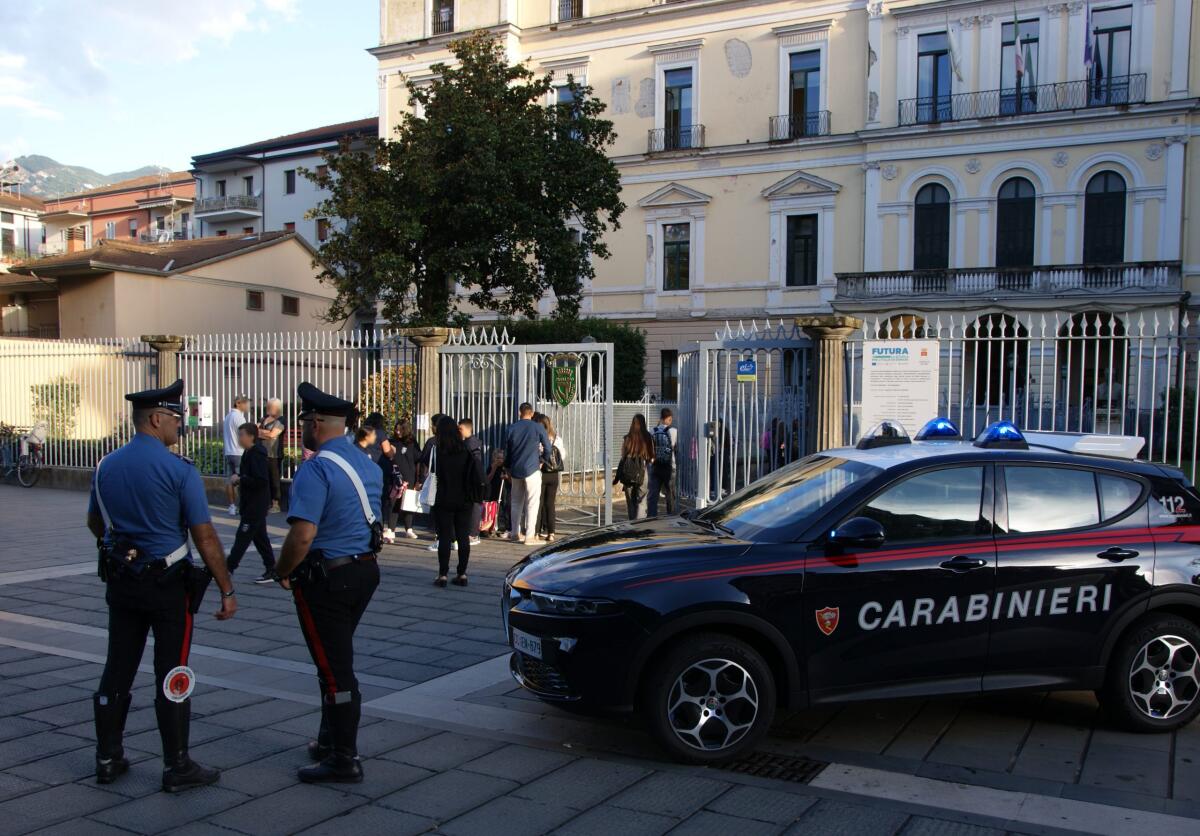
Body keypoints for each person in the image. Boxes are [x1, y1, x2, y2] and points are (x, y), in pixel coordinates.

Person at [87, 379, 236, 793]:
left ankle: (107, 757)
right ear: (155, 420)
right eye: (175, 418)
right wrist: (226, 587)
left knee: (117, 665)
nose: (180, 426)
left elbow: (95, 522)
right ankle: (177, 765)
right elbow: (204, 535)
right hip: (169, 585)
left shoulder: (106, 466)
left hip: (122, 583)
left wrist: (122, 545)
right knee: (172, 671)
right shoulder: (178, 469)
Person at [272, 382, 382, 784]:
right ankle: (328, 739)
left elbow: (302, 534)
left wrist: (283, 571)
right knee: (335, 658)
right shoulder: (365, 463)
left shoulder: (316, 468)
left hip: (328, 578)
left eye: (304, 422)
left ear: (316, 423)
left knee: (335, 671)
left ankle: (344, 758)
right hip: (364, 570)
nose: (302, 428)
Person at [430, 416, 485, 587]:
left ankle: (443, 575)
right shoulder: (465, 449)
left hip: (444, 497)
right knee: (463, 536)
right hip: (464, 499)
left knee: (445, 536)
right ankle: (462, 573)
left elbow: (433, 473)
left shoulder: (438, 451)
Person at [228, 423, 277, 584]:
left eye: (241, 434)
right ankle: (272, 569)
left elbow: (261, 480)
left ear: (251, 436)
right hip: (252, 504)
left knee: (242, 537)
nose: (239, 438)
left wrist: (241, 479)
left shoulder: (256, 454)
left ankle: (227, 568)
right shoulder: (249, 453)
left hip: (255, 506)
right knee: (260, 538)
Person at [503, 402, 551, 543]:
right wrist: (542, 460)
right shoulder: (537, 427)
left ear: (519, 412)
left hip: (516, 470)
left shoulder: (511, 428)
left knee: (516, 502)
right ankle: (529, 536)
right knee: (532, 502)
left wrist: (507, 467)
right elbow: (547, 447)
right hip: (532, 469)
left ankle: (515, 533)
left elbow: (507, 452)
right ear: (532, 413)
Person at [615, 413, 653, 520]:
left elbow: (622, 456)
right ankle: (639, 525)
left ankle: (631, 524)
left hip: (628, 473)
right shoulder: (648, 437)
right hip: (643, 472)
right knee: (641, 501)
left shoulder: (627, 438)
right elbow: (651, 457)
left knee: (630, 502)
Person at [535, 413, 566, 541]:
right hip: (554, 474)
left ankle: (536, 532)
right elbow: (563, 455)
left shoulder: (538, 439)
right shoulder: (557, 438)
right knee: (550, 504)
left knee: (539, 503)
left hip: (541, 473)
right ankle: (551, 533)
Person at [387, 420, 420, 539]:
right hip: (395, 477)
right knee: (394, 503)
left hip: (410, 477)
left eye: (400, 429)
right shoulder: (391, 442)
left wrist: (418, 479)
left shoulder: (412, 443)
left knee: (409, 504)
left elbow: (418, 461)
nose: (397, 431)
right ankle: (391, 529)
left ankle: (409, 528)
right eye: (396, 429)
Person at [646, 407, 678, 517]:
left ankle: (651, 517)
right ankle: (671, 516)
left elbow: (649, 449)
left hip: (655, 467)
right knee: (670, 494)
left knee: (653, 495)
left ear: (661, 417)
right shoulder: (674, 431)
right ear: (669, 418)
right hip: (670, 467)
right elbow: (676, 448)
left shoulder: (652, 431)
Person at [222, 395, 250, 516]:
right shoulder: (238, 417)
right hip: (239, 452)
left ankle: (232, 506)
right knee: (242, 480)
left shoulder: (228, 416)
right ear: (238, 403)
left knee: (229, 481)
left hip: (229, 452)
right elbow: (245, 433)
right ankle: (243, 506)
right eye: (245, 403)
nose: (247, 405)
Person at [459, 419, 484, 547]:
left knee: (474, 506)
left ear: (468, 429)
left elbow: (475, 463)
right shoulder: (473, 443)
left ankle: (473, 534)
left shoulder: (470, 445)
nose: (459, 432)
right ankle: (472, 532)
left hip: (472, 479)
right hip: (474, 479)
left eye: (461, 429)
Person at [258, 398, 286, 512]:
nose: (268, 408)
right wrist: (267, 433)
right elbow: (255, 430)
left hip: (274, 454)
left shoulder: (281, 420)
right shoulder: (264, 418)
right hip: (263, 453)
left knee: (274, 479)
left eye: (271, 406)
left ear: (278, 408)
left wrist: (261, 432)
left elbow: (273, 435)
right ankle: (266, 502)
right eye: (268, 406)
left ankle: (276, 504)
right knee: (264, 479)